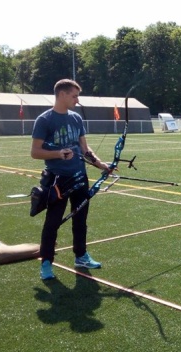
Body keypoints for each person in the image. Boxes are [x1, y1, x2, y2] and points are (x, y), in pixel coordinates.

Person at [31, 79, 109, 280]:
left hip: (80, 177)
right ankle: (46, 263)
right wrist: (58, 154)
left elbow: (85, 149)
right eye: (74, 96)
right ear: (62, 95)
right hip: (58, 180)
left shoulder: (76, 119)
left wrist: (101, 164)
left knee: (80, 220)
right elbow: (35, 152)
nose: (77, 100)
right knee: (53, 222)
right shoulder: (45, 120)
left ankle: (81, 255)